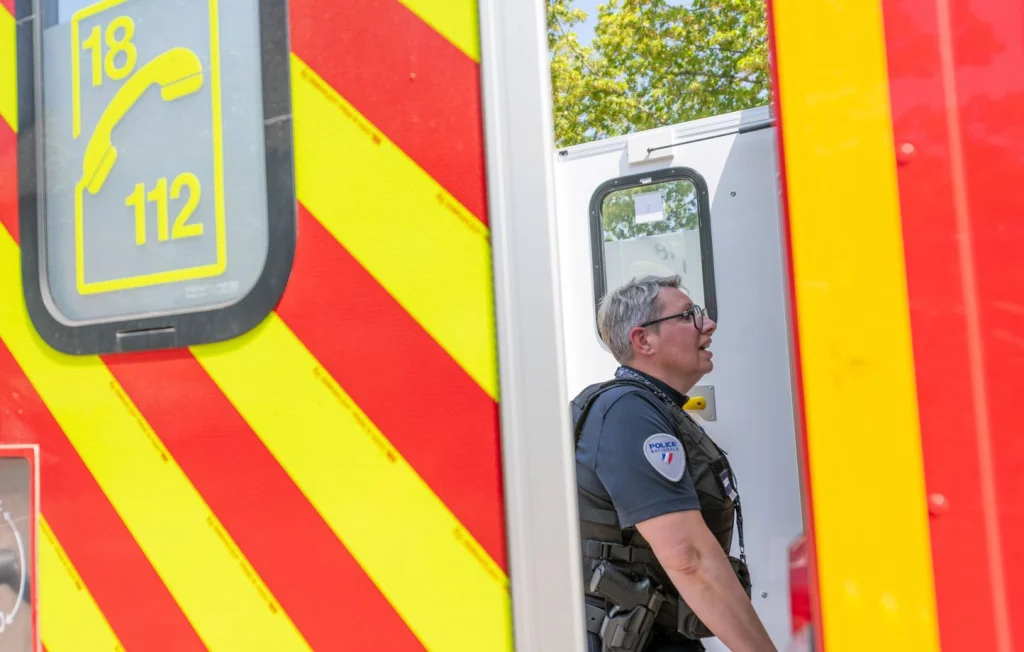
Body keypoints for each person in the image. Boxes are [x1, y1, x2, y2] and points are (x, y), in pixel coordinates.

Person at [573, 275, 776, 652]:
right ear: (643, 340)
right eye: (688, 316)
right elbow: (689, 557)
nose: (708, 324)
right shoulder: (628, 413)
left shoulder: (651, 408)